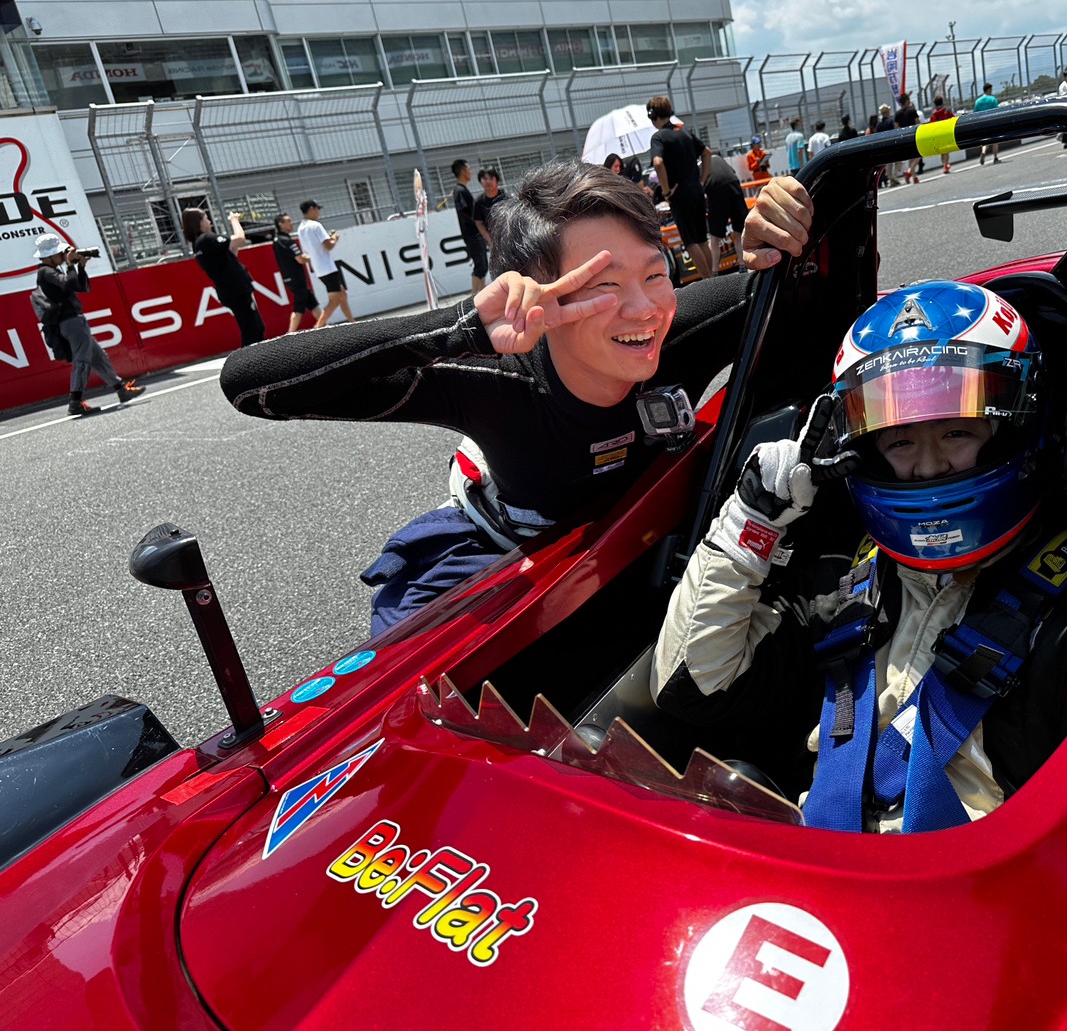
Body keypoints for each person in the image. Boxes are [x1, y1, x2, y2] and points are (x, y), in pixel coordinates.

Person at [651, 278, 1067, 830]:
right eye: (901, 441)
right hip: (820, 862)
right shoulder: (845, 587)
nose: (929, 467)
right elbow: (691, 685)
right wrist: (752, 520)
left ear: (1014, 427)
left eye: (956, 433)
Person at [221, 161, 756, 630]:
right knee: (408, 662)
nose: (644, 310)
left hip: (648, 528)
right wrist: (456, 329)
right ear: (534, 294)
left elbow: (796, 284)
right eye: (604, 285)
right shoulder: (494, 379)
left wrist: (786, 226)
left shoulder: (685, 327)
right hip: (511, 544)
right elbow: (249, 384)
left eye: (655, 274)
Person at [33, 233, 145, 416]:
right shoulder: (46, 272)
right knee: (82, 360)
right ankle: (75, 402)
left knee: (98, 356)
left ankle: (121, 389)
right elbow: (67, 284)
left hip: (73, 321)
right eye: (59, 253)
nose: (62, 255)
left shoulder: (52, 271)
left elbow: (80, 287)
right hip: (70, 322)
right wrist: (70, 265)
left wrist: (81, 267)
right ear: (48, 256)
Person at [647, 94, 714, 281]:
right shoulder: (684, 131)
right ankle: (714, 279)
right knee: (702, 239)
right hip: (697, 191)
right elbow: (707, 153)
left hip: (679, 195)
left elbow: (658, 162)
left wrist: (666, 191)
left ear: (653, 115)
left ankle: (707, 281)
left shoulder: (658, 137)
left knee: (691, 241)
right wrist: (702, 180)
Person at [184, 207, 265, 347]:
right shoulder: (207, 239)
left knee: (255, 328)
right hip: (235, 290)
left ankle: (255, 358)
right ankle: (248, 360)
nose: (209, 222)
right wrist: (234, 221)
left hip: (230, 290)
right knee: (252, 331)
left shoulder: (198, 244)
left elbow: (230, 253)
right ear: (199, 223)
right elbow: (240, 239)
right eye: (206, 219)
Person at [298, 200, 356, 326]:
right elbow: (328, 246)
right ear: (312, 209)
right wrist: (334, 239)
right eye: (317, 209)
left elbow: (308, 250)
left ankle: (352, 321)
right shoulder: (316, 225)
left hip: (318, 268)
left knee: (342, 294)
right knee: (335, 300)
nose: (318, 212)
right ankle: (318, 326)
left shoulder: (301, 228)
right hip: (327, 267)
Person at [271, 212, 318, 332]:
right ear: (280, 224)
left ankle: (324, 325)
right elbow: (300, 259)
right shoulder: (287, 241)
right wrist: (313, 256)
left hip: (289, 278)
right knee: (299, 307)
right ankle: (290, 334)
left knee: (312, 303)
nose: (291, 223)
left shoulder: (276, 240)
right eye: (288, 221)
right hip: (296, 278)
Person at [703, 153, 749, 275]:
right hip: (734, 188)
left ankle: (714, 271)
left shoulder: (701, 164)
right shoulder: (720, 160)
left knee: (714, 237)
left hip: (716, 192)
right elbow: (733, 173)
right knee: (739, 232)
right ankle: (743, 265)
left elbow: (700, 186)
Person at [451, 159, 487, 295]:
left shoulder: (462, 190)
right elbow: (464, 213)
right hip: (472, 234)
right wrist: (477, 222)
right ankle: (473, 297)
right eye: (468, 169)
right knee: (480, 265)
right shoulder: (460, 191)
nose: (470, 172)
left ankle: (482, 294)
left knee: (483, 265)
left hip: (476, 233)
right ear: (462, 171)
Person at [473, 168, 507, 272]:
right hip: (492, 241)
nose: (488, 181)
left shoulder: (505, 197)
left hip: (508, 236)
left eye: (491, 178)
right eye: (484, 179)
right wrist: (489, 239)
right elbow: (478, 222)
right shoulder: (479, 201)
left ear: (497, 180)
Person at [895, 94, 923, 183]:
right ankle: (909, 171)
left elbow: (896, 127)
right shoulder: (912, 111)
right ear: (907, 100)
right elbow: (918, 123)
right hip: (914, 135)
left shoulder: (897, 114)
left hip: (904, 137)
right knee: (920, 154)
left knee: (911, 157)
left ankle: (914, 177)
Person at [972, 83, 1001, 165]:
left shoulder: (978, 101)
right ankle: (995, 158)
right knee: (995, 140)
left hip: (982, 123)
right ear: (988, 89)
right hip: (992, 121)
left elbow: (975, 113)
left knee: (985, 140)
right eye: (991, 89)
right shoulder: (992, 99)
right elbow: (996, 111)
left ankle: (983, 152)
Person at [875, 104, 900, 187]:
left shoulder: (879, 124)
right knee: (899, 161)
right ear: (887, 112)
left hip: (884, 146)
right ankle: (894, 176)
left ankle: (891, 178)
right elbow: (896, 130)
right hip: (893, 144)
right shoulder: (891, 121)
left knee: (888, 164)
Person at [928, 96, 954, 173]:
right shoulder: (946, 110)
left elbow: (931, 124)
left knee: (943, 152)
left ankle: (945, 165)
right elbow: (953, 118)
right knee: (946, 150)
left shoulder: (934, 113)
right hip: (946, 132)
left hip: (937, 134)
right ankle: (945, 166)